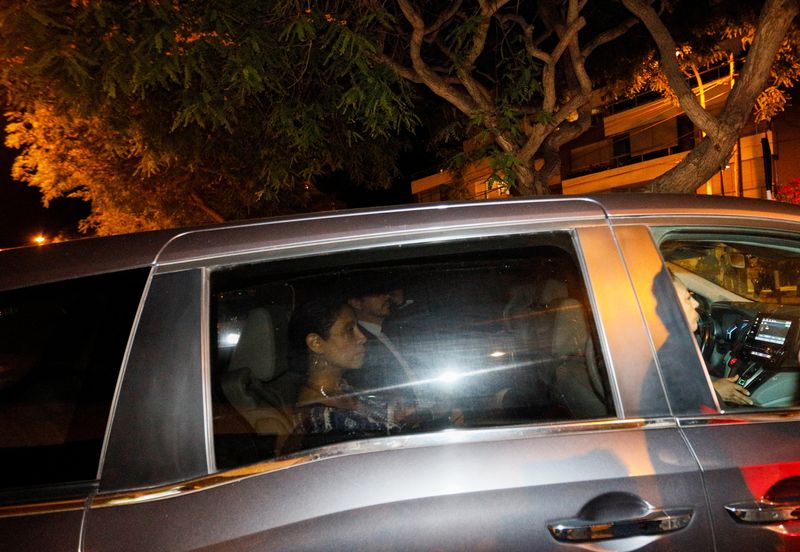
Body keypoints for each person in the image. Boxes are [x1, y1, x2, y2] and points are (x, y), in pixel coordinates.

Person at [288, 297, 411, 448]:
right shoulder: (322, 422)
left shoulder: (341, 389)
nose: (362, 338)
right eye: (349, 330)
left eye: (358, 328)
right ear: (316, 343)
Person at [672, 275, 753, 406]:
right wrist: (713, 392)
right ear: (666, 307)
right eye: (687, 298)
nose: (696, 303)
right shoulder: (660, 356)